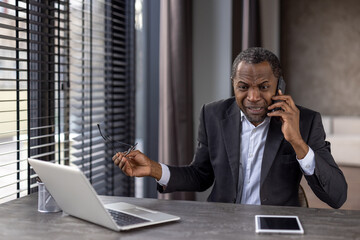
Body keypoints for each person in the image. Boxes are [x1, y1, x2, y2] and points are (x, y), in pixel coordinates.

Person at [112, 47, 347, 209]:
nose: (253, 97)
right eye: (243, 86)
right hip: (222, 224)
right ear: (233, 85)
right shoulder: (213, 114)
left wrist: (297, 142)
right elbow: (200, 176)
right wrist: (154, 169)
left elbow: (337, 197)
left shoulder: (306, 121)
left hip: (276, 227)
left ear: (279, 86)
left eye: (264, 86)